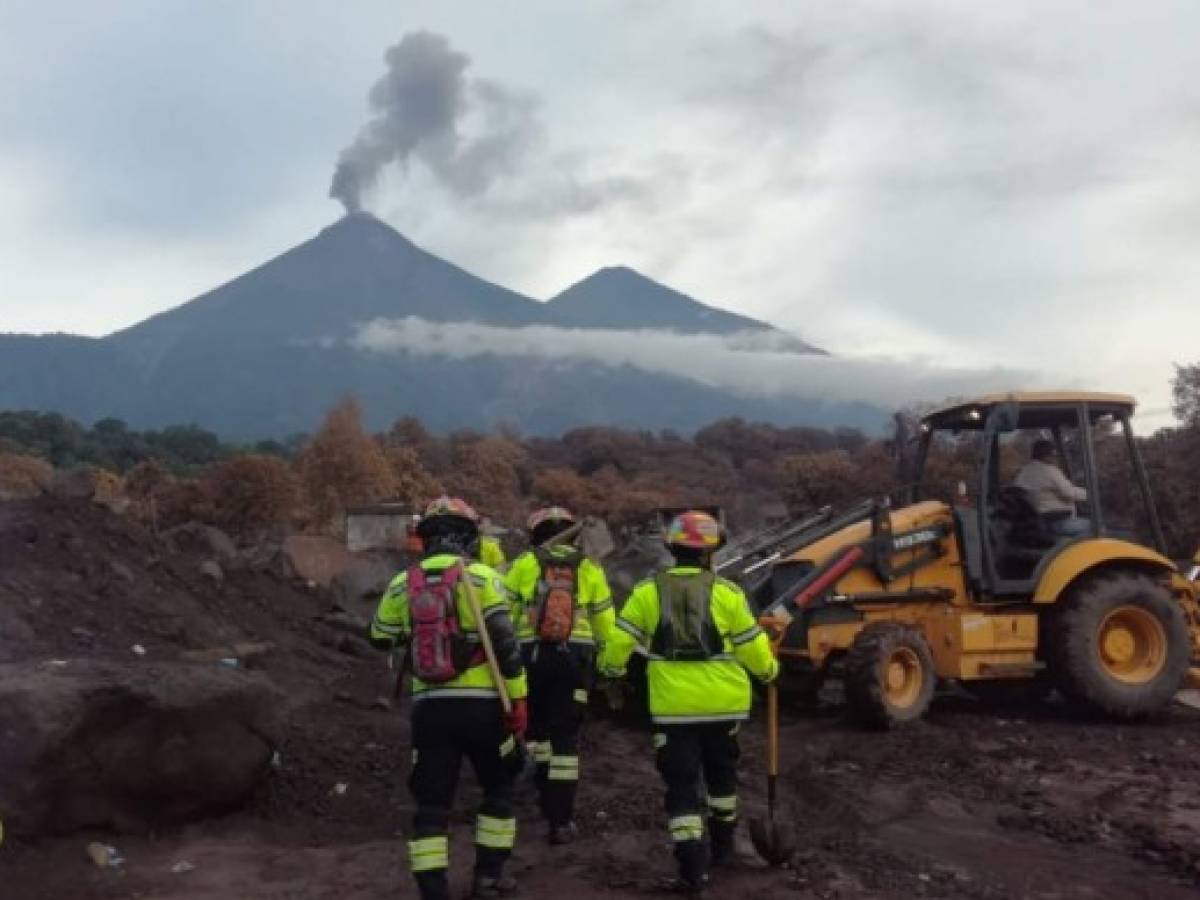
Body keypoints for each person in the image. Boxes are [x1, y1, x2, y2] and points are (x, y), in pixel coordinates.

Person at [599, 510, 779, 894]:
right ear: (711, 551)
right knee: (722, 778)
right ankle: (725, 850)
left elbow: (619, 642)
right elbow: (752, 647)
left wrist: (610, 671)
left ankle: (692, 869)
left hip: (673, 710)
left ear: (671, 548)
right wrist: (769, 673)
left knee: (681, 786)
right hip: (724, 707)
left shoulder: (648, 592)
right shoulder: (729, 594)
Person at [369, 496, 529, 900]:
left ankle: (433, 890)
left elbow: (378, 637)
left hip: (429, 708)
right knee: (497, 787)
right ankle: (488, 879)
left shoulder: (403, 582)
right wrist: (518, 701)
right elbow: (506, 646)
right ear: (469, 537)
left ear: (426, 539)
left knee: (432, 801)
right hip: (483, 705)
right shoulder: (481, 577)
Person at [504, 505, 614, 844]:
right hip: (574, 661)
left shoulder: (523, 564)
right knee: (566, 737)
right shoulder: (589, 568)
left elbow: (503, 614)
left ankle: (538, 792)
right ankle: (561, 819)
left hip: (531, 658)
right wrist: (608, 663)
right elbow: (605, 622)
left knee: (535, 729)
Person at [1013, 439, 1090, 537]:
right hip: (1056, 522)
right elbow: (1069, 492)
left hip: (1035, 523)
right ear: (1046, 455)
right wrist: (1090, 494)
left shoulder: (1024, 472)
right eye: (1053, 455)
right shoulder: (1049, 471)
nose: (1055, 458)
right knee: (1095, 526)